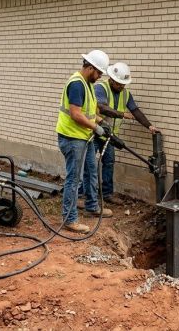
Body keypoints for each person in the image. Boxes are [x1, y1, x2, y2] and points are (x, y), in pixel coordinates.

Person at [56, 50, 112, 234]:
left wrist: (100, 121)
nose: (100, 77)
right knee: (74, 178)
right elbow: (76, 114)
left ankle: (92, 206)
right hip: (72, 139)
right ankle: (70, 219)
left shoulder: (87, 84)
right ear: (90, 68)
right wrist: (96, 128)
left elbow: (88, 112)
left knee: (91, 170)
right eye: (99, 73)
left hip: (84, 137)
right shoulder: (77, 85)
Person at [93, 62, 159, 205]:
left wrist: (149, 126)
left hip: (109, 135)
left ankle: (107, 194)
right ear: (111, 79)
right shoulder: (100, 88)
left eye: (123, 84)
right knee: (89, 164)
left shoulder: (125, 94)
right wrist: (122, 114)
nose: (121, 87)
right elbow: (102, 108)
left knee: (109, 163)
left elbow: (135, 111)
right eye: (119, 84)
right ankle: (84, 195)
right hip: (93, 132)